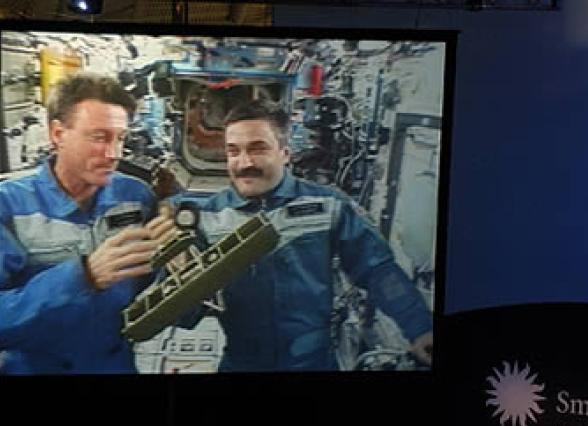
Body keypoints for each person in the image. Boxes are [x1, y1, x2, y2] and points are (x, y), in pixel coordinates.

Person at [175, 99, 433, 371]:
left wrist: (420, 328)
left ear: (285, 152)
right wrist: (178, 280)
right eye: (233, 152)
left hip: (314, 362)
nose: (244, 163)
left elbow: (379, 271)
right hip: (241, 362)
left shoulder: (328, 205)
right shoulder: (209, 217)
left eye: (258, 149)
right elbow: (184, 316)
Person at [0, 73, 174, 373]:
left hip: (114, 364)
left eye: (121, 138)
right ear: (57, 134)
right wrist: (83, 276)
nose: (113, 154)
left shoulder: (135, 196)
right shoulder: (9, 205)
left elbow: (151, 286)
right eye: (99, 137)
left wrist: (174, 259)